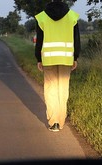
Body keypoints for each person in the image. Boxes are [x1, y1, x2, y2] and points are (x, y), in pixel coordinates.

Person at [35, 0, 81, 132]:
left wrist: (39, 58)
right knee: (63, 89)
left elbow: (40, 40)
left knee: (50, 90)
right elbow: (76, 39)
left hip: (48, 59)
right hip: (66, 59)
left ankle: (53, 122)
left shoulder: (42, 17)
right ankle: (60, 122)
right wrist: (75, 57)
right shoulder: (72, 16)